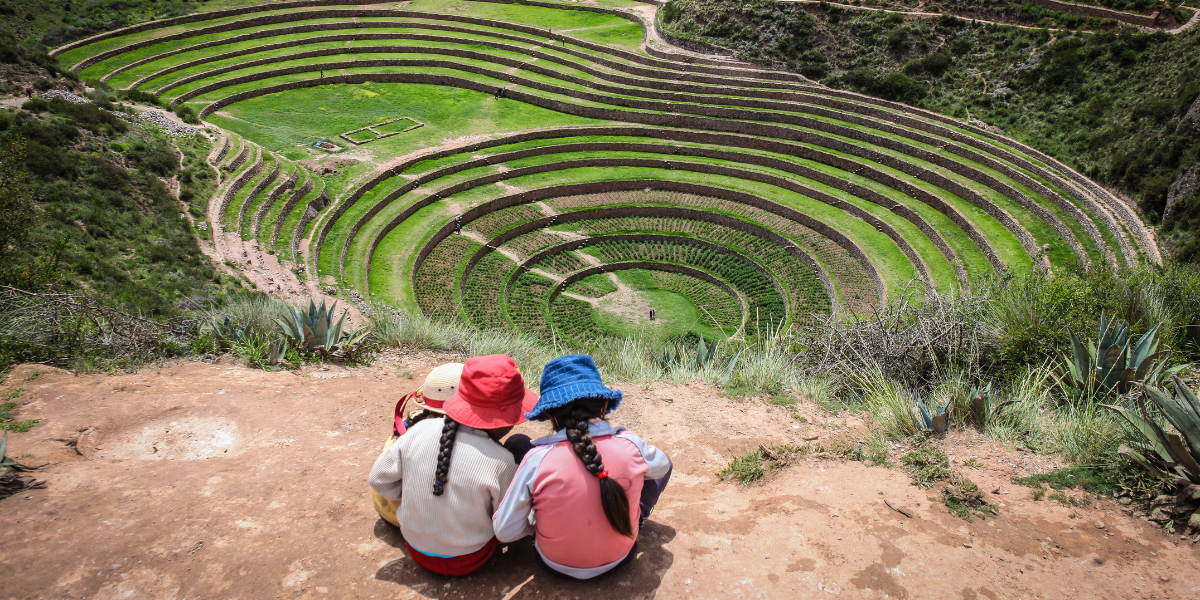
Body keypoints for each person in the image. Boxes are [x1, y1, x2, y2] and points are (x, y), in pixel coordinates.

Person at [493, 354, 672, 579]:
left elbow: (505, 531)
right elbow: (663, 467)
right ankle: (633, 519)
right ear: (605, 403)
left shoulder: (537, 460)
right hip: (620, 558)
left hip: (553, 563)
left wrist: (539, 524)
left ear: (548, 412)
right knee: (654, 467)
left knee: (518, 443)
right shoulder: (630, 444)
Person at [369, 354, 539, 576]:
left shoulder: (417, 432)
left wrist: (418, 497)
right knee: (521, 444)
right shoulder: (502, 461)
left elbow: (378, 480)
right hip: (471, 558)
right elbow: (506, 526)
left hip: (417, 550)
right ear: (503, 419)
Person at [370, 363, 463, 527]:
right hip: (415, 519)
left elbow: (377, 478)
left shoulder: (413, 420)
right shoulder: (455, 438)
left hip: (387, 509)